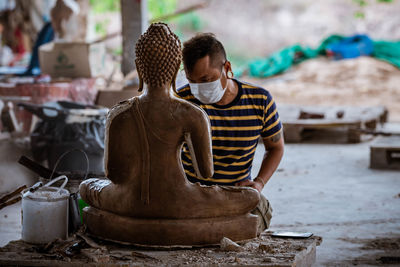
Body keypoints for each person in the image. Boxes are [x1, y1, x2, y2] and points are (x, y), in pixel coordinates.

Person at [176, 33, 284, 232]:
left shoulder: (260, 100)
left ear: (227, 68)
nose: (199, 89)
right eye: (193, 82)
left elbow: (275, 147)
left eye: (206, 79)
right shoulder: (181, 101)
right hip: (192, 196)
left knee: (258, 213)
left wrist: (258, 183)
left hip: (237, 194)